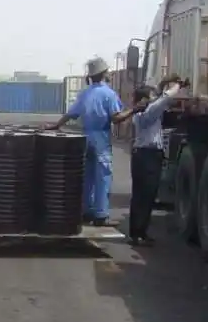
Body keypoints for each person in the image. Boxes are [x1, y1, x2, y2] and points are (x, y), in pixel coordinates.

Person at [45, 57, 143, 227]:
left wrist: (55, 125)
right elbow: (116, 118)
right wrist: (134, 109)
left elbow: (71, 114)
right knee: (103, 176)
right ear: (104, 74)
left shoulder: (85, 93)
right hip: (101, 139)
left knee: (88, 175)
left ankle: (86, 211)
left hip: (86, 137)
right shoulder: (108, 94)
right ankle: (101, 214)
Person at [128, 74, 189, 246]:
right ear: (145, 99)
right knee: (146, 196)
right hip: (148, 156)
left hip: (142, 155)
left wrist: (164, 84)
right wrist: (179, 86)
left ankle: (137, 232)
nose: (154, 98)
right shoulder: (147, 113)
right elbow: (164, 100)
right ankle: (139, 234)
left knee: (140, 196)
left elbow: (160, 98)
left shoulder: (141, 113)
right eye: (151, 97)